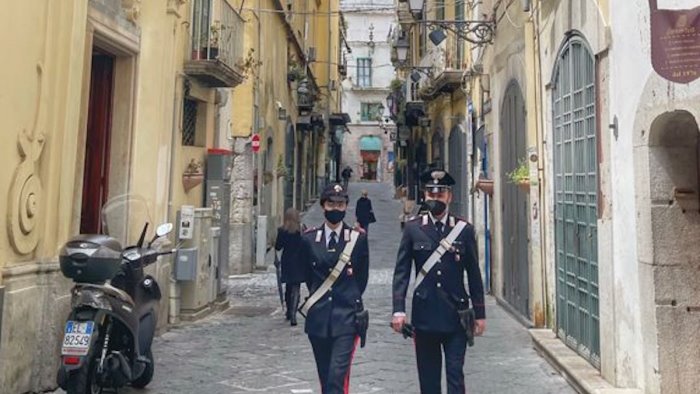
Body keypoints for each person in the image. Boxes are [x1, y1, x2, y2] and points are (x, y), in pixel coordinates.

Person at [391, 167, 486, 394]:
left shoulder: (463, 230)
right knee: (429, 380)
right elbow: (402, 271)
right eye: (431, 194)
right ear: (425, 196)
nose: (436, 199)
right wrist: (398, 310)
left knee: (455, 376)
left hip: (457, 315)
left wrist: (480, 313)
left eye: (440, 194)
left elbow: (473, 273)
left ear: (449, 196)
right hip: (425, 318)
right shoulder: (413, 229)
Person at [300, 183, 370, 394]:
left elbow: (362, 277)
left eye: (340, 204)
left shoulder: (357, 239)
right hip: (318, 319)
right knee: (325, 376)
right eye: (331, 204)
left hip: (347, 317)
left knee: (336, 379)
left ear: (346, 207)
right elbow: (306, 275)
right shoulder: (309, 239)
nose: (336, 209)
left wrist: (349, 297)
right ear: (323, 206)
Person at [275, 208, 305, 326]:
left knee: (288, 286)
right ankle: (293, 314)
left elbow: (278, 247)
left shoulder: (282, 230)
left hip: (287, 260)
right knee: (296, 287)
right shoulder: (301, 230)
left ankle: (288, 311)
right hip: (299, 260)